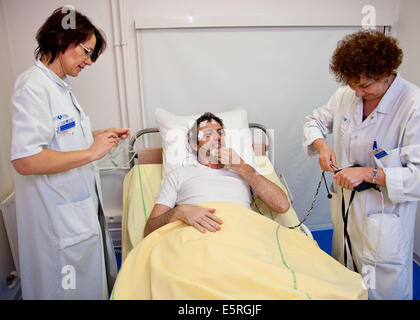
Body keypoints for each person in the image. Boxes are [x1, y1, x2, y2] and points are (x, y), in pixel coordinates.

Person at [303, 30, 420, 299]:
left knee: (383, 291)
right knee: (345, 283)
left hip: (384, 219)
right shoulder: (347, 94)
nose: (357, 92)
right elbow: (314, 121)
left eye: (365, 86)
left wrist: (368, 173)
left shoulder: (416, 106)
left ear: (388, 73)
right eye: (353, 84)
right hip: (346, 211)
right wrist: (322, 146)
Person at [10, 7, 129, 299]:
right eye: (86, 52)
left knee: (85, 287)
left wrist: (96, 136)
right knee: (65, 290)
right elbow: (26, 160)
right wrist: (91, 153)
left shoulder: (62, 87)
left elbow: (60, 140)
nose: (88, 62)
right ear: (62, 39)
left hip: (75, 214)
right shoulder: (33, 87)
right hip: (56, 222)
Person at [144, 112, 290, 237]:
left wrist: (243, 167)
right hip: (196, 239)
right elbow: (149, 231)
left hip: (242, 236)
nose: (218, 137)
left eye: (220, 133)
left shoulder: (244, 172)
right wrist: (178, 212)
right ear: (194, 144)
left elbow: (282, 205)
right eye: (208, 134)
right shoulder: (179, 175)